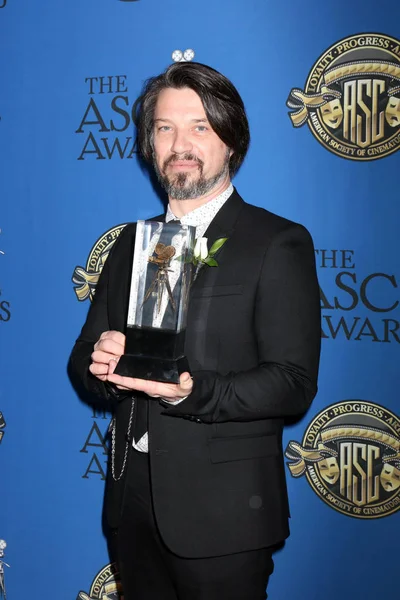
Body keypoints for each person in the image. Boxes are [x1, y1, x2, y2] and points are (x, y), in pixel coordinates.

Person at [70, 61, 321, 600]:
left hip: (224, 518)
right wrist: (103, 365)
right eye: (165, 128)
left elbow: (292, 382)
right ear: (149, 144)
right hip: (131, 507)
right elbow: (82, 361)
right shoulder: (128, 245)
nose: (180, 143)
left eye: (200, 126)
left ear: (231, 140)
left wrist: (193, 391)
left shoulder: (276, 243)